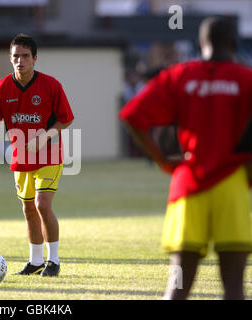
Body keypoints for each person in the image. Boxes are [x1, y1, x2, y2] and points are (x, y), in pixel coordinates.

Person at [119, 17, 252, 300]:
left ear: (201, 43)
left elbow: (131, 115)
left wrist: (161, 159)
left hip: (188, 185)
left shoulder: (179, 75)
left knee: (178, 287)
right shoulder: (246, 79)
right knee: (234, 288)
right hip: (233, 187)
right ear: (232, 43)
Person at [0, 34, 74, 277]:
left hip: (50, 156)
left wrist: (44, 137)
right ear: (10, 59)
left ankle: (54, 261)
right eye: (16, 56)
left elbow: (66, 118)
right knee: (28, 208)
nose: (20, 61)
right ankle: (35, 261)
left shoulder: (51, 85)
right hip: (21, 159)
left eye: (25, 56)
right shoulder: (1, 87)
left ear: (35, 58)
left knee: (42, 204)